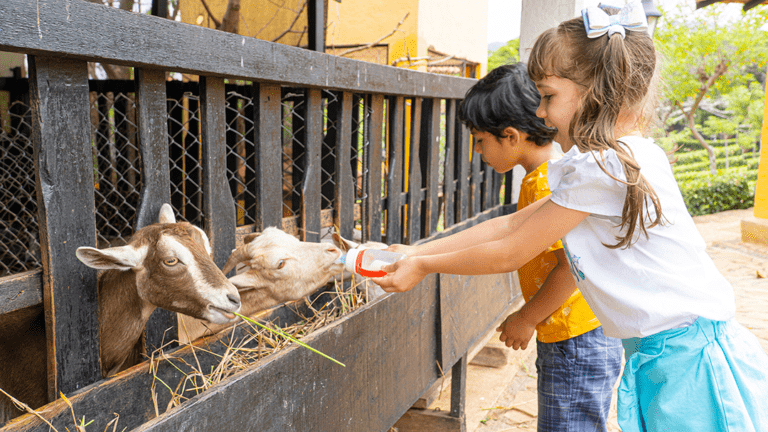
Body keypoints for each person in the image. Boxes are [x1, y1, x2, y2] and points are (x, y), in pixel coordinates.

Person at [373, 3, 768, 431]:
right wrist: (416, 250)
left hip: (688, 360)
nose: (540, 112)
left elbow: (510, 249)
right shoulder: (614, 160)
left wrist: (423, 265)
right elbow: (511, 225)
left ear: (597, 91)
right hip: (671, 352)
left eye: (548, 96)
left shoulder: (605, 166)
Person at [459, 62, 623, 431]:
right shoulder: (553, 175)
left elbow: (570, 267)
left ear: (512, 136)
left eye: (481, 141)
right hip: (579, 335)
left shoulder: (547, 184)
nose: (478, 152)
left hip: (575, 340)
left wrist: (527, 316)